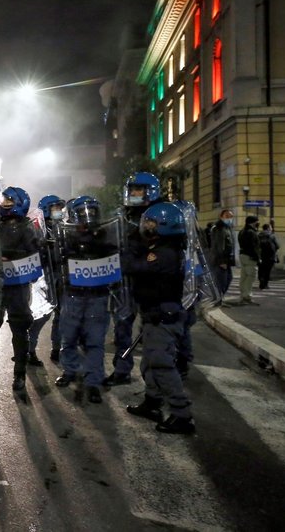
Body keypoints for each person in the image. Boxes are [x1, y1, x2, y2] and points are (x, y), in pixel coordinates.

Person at [124, 202, 195, 434]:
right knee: (149, 364)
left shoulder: (164, 253)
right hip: (155, 313)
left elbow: (135, 267)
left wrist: (129, 249)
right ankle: (153, 403)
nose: (146, 226)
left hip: (163, 316)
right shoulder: (161, 247)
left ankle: (181, 415)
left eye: (151, 223)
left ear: (165, 226)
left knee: (162, 366)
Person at [55, 196, 120, 404]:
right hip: (73, 294)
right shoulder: (65, 238)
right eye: (83, 213)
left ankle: (93, 381)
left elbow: (115, 262)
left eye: (91, 212)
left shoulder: (105, 237)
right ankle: (70, 370)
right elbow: (57, 262)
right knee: (69, 337)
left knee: (95, 342)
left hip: (97, 296)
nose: (87, 217)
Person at [106, 171, 162, 387]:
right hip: (125, 281)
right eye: (132, 189)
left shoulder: (159, 215)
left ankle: (157, 377)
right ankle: (121, 370)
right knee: (121, 327)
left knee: (152, 331)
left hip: (150, 281)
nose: (135, 193)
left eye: (139, 189)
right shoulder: (121, 216)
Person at [0, 186, 40, 396]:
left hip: (18, 286)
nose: (4, 204)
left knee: (19, 330)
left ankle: (19, 371)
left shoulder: (28, 227)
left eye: (8, 200)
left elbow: (33, 254)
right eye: (3, 200)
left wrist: (9, 256)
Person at [33, 194, 65, 363]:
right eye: (55, 208)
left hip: (62, 275)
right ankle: (29, 349)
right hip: (44, 278)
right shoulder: (38, 230)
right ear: (46, 210)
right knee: (41, 316)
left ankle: (57, 348)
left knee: (62, 315)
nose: (59, 211)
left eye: (60, 208)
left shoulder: (64, 228)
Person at [209, 209, 236, 296]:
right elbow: (219, 246)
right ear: (221, 217)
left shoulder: (228, 228)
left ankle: (220, 298)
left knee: (228, 278)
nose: (229, 218)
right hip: (221, 260)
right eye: (227, 216)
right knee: (222, 281)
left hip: (226, 259)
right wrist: (222, 261)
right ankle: (218, 299)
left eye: (231, 216)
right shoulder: (219, 228)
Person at [237, 215, 261, 304]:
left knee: (244, 276)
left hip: (242, 255)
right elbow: (254, 246)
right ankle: (246, 296)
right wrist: (258, 258)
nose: (258, 223)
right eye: (257, 222)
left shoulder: (242, 231)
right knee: (250, 277)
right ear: (253, 222)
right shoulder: (251, 232)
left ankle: (243, 295)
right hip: (250, 256)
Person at [258, 223, 279, 289]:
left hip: (261, 256)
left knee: (261, 269)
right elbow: (277, 246)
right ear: (268, 228)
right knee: (268, 270)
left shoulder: (259, 235)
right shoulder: (272, 236)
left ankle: (261, 279)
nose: (272, 228)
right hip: (270, 256)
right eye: (271, 227)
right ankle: (265, 284)